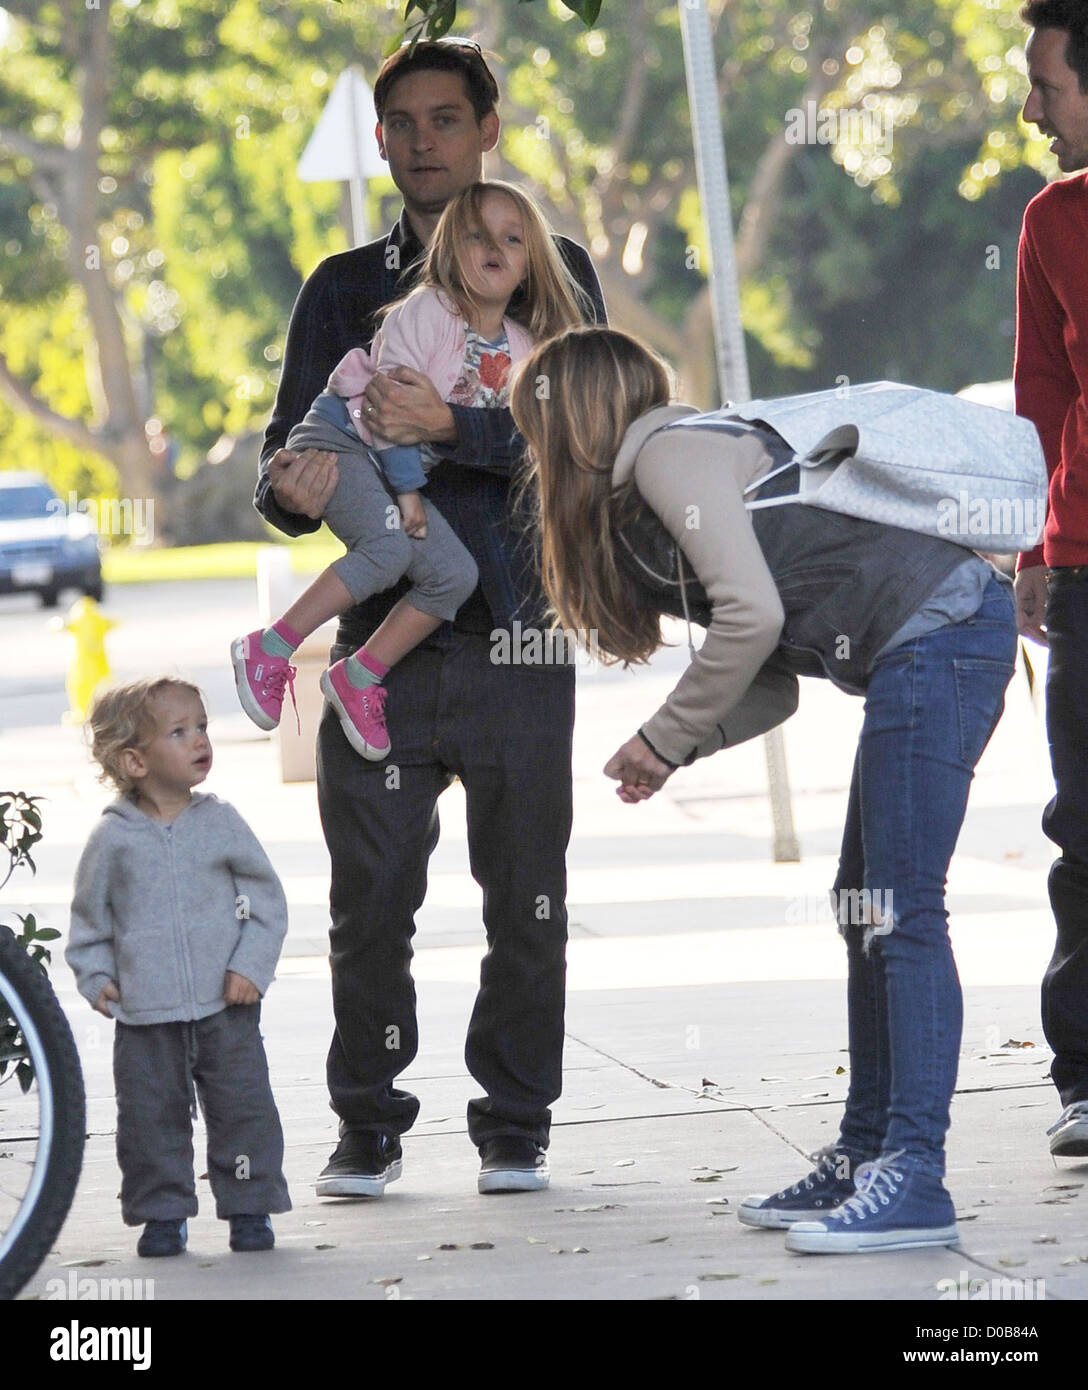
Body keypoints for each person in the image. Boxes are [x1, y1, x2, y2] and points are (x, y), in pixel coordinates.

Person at [510, 326, 1019, 1254]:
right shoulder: (643, 504)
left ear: (571, 419)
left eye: (531, 425)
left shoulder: (668, 455)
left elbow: (753, 615)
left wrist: (667, 733)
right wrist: (673, 751)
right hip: (924, 643)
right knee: (866, 905)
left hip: (943, 632)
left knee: (900, 910)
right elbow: (773, 675)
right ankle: (868, 1151)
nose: (528, 450)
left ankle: (914, 1175)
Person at [256, 39, 605, 1197]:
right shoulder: (342, 289)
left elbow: (587, 451)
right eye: (400, 123)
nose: (420, 142)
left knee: (527, 903)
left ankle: (514, 1121)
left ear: (488, 129)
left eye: (444, 120)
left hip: (517, 636)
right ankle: (366, 1123)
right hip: (381, 654)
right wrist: (290, 489)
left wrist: (462, 431)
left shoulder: (553, 275)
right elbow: (286, 464)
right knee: (368, 908)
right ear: (380, 140)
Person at [234, 180, 588, 762]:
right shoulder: (426, 312)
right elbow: (389, 413)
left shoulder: (524, 347)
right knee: (391, 548)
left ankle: (359, 676)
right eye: (476, 237)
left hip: (393, 470)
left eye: (512, 239)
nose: (493, 247)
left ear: (529, 265)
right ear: (450, 251)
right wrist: (409, 494)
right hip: (346, 440)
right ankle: (270, 647)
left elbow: (541, 440)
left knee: (454, 575)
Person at [66, 678, 291, 1257]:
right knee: (149, 1122)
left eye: (202, 727)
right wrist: (96, 976)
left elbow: (266, 901)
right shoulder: (112, 840)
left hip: (227, 1008)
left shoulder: (220, 823)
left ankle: (249, 1208)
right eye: (180, 731)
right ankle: (162, 1215)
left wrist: (251, 966)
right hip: (145, 1015)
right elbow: (90, 921)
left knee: (244, 1111)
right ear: (135, 760)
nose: (200, 740)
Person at [1014, 0, 1088, 1157]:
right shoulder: (1049, 221)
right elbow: (1037, 394)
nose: (1029, 109)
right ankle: (1084, 1073)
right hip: (1083, 565)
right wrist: (1028, 545)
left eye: (1047, 85)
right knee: (1085, 827)